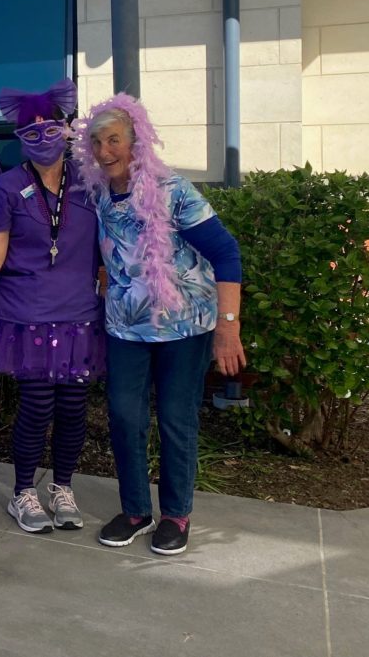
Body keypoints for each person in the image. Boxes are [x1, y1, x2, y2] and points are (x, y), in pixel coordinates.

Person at [77, 93, 246, 556]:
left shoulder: (173, 191)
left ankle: (175, 514)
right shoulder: (99, 195)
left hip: (185, 328)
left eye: (115, 140)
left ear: (137, 143)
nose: (104, 150)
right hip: (126, 328)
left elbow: (227, 254)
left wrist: (228, 329)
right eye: (96, 141)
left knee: (175, 419)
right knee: (124, 416)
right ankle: (135, 510)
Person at [0, 79, 104, 534]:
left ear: (67, 129)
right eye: (30, 132)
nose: (42, 137)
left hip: (80, 316)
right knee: (37, 405)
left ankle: (62, 486)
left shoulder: (89, 183)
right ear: (19, 138)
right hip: (26, 314)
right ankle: (23, 492)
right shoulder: (6, 187)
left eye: (50, 128)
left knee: (74, 407)